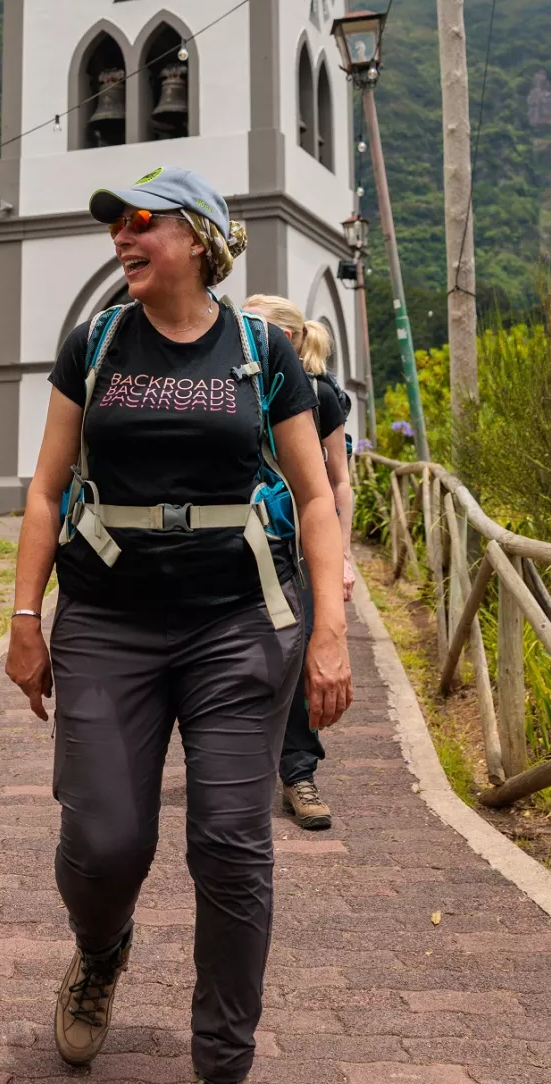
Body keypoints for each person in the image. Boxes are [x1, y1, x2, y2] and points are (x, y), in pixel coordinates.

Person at [5, 168, 352, 1084]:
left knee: (232, 848)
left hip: (237, 625)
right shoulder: (97, 343)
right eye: (115, 225)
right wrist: (23, 617)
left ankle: (223, 1063)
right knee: (106, 839)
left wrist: (330, 629)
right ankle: (101, 948)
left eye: (141, 222)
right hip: (108, 621)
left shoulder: (260, 353)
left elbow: (315, 498)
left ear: (198, 238)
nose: (122, 236)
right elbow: (44, 490)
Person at [243, 298, 355, 832]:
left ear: (286, 337)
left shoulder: (318, 394)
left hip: (302, 546)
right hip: (237, 545)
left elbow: (337, 484)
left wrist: (344, 557)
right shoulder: (233, 384)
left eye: (255, 326)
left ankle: (298, 771)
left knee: (302, 653)